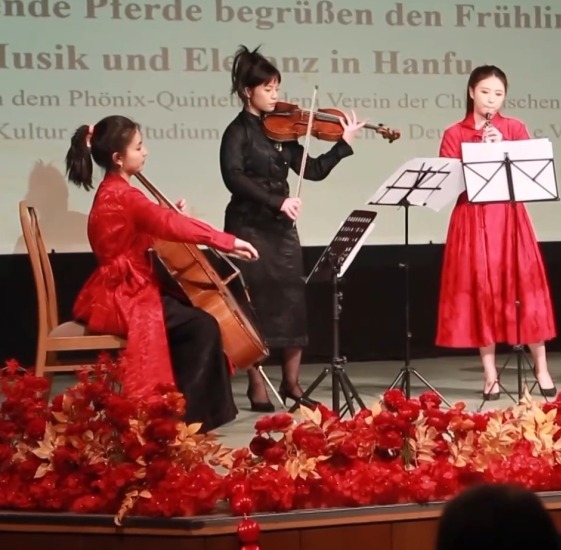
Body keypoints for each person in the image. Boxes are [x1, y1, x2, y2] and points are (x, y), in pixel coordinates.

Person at [65, 115, 259, 433]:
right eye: (138, 147)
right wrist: (228, 241)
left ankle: (183, 413)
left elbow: (147, 228)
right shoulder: (124, 196)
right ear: (118, 158)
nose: (145, 152)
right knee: (202, 325)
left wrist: (170, 217)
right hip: (123, 294)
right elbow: (165, 224)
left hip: (122, 286)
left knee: (195, 319)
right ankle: (185, 421)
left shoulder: (114, 191)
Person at [219, 45, 366, 411]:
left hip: (281, 231)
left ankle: (292, 384)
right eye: (267, 89)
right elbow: (233, 177)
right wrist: (277, 201)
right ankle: (257, 385)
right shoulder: (237, 132)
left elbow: (311, 170)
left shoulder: (282, 131)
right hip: (248, 227)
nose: (275, 96)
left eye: (277, 88)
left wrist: (343, 145)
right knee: (254, 307)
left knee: (292, 303)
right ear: (247, 91)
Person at [436, 65, 557, 400]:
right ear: (471, 92)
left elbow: (531, 169)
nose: (491, 99)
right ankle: (490, 374)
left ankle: (541, 367)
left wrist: (502, 148)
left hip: (509, 218)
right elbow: (448, 182)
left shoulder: (514, 127)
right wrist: (478, 154)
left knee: (524, 288)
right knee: (482, 292)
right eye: (485, 92)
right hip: (472, 219)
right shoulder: (454, 132)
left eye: (498, 93)